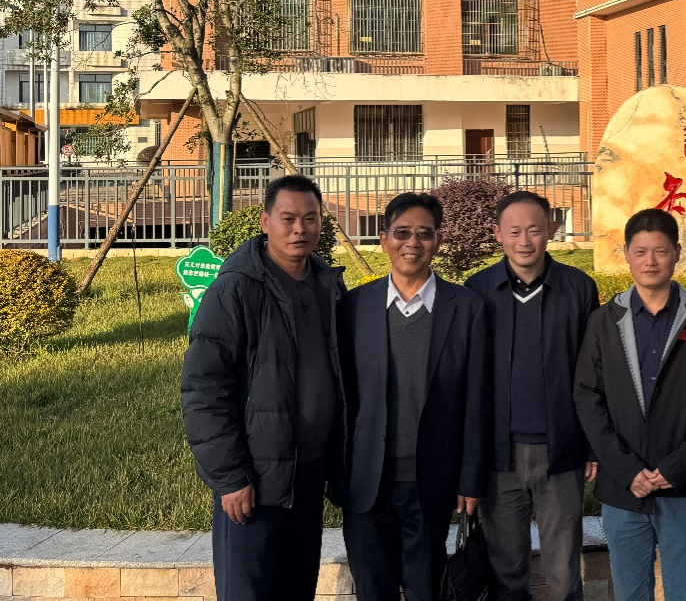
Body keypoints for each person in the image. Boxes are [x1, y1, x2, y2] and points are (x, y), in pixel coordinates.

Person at [181, 174, 346, 601]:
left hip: (309, 475)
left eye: (310, 219)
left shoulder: (328, 285)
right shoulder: (234, 289)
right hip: (254, 480)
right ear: (265, 221)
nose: (299, 229)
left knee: (297, 589)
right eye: (288, 218)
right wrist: (230, 477)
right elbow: (203, 390)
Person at [340, 191, 488, 601]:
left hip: (432, 481)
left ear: (438, 240)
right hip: (366, 481)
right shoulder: (355, 306)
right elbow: (342, 395)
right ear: (384, 238)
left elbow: (477, 399)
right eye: (402, 232)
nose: (412, 242)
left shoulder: (466, 307)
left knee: (426, 589)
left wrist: (470, 478)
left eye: (424, 233)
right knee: (373, 590)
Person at [574, 209, 686, 601]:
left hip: (682, 482)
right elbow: (588, 396)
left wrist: (678, 466)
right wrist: (626, 469)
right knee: (630, 592)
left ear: (676, 252)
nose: (650, 261)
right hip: (623, 485)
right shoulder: (604, 321)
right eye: (640, 252)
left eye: (660, 251)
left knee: (683, 590)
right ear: (626, 253)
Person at [466, 191, 600, 601]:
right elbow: (467, 381)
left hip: (561, 453)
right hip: (499, 457)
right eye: (514, 231)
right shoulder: (477, 290)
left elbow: (593, 372)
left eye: (534, 230)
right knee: (507, 574)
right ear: (497, 234)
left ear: (552, 230)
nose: (524, 241)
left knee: (563, 576)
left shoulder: (578, 288)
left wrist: (592, 445)